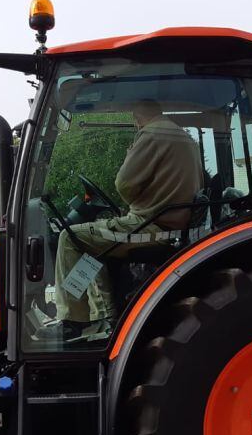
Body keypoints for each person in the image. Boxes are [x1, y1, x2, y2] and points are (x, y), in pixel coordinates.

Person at [41, 100, 203, 342]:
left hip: (150, 227)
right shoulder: (181, 135)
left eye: (134, 118)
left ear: (138, 115)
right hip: (167, 225)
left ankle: (72, 320)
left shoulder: (151, 134)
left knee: (70, 238)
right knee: (91, 243)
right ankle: (104, 315)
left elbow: (124, 184)